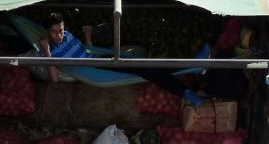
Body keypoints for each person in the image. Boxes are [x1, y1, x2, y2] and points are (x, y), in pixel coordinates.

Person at [39, 12, 203, 105]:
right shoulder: (48, 51)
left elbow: (87, 50)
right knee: (145, 69)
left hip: (99, 58)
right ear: (47, 32)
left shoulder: (67, 35)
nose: (60, 35)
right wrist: (46, 50)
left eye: (61, 29)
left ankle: (192, 68)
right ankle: (186, 90)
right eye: (55, 32)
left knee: (146, 66)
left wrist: (88, 36)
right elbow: (54, 80)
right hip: (94, 70)